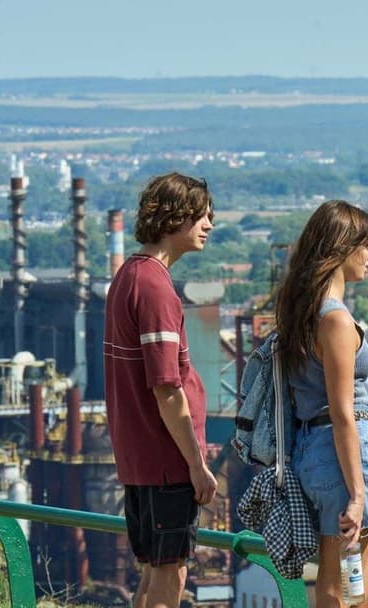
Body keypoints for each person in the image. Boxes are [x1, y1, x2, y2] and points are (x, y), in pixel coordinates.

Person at [103, 173, 218, 608]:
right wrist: (196, 464)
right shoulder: (155, 288)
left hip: (138, 455)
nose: (208, 224)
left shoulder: (127, 277)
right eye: (202, 214)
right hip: (165, 457)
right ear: (175, 216)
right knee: (172, 573)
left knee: (154, 569)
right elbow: (166, 387)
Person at [275, 200, 368, 607]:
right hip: (343, 456)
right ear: (342, 249)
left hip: (314, 453)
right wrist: (358, 494)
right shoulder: (335, 320)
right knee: (356, 592)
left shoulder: (301, 312)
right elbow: (342, 414)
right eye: (366, 246)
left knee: (338, 579)